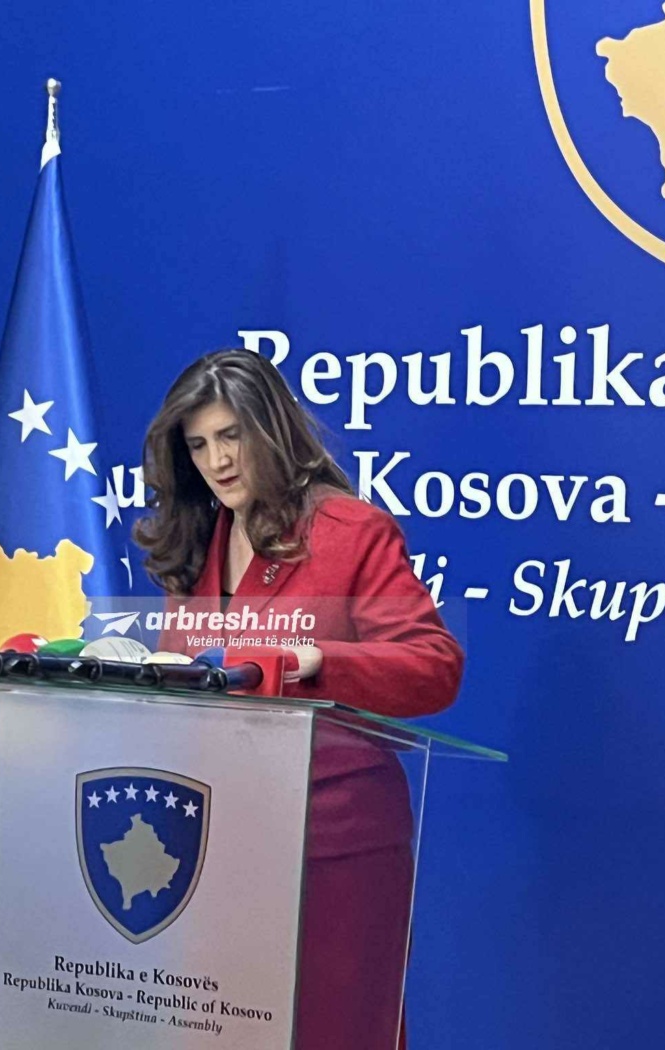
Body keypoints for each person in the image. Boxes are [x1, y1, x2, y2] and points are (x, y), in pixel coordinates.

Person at [133, 348, 464, 1049]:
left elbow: (434, 667)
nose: (218, 461)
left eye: (231, 436)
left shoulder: (349, 532)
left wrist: (317, 660)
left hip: (333, 842)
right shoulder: (196, 542)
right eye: (199, 445)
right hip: (215, 837)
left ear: (271, 430)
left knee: (333, 1031)